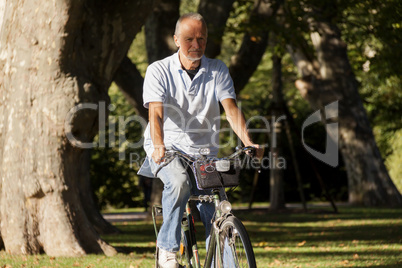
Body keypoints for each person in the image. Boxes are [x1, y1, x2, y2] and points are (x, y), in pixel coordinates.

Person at [138, 12, 262, 268]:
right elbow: (156, 112)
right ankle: (167, 252)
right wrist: (159, 144)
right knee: (180, 182)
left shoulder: (217, 69)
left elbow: (230, 108)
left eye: (201, 39)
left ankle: (226, 263)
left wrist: (249, 142)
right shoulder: (159, 70)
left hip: (204, 152)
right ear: (176, 39)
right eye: (189, 39)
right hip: (167, 147)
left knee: (218, 209)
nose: (196, 45)